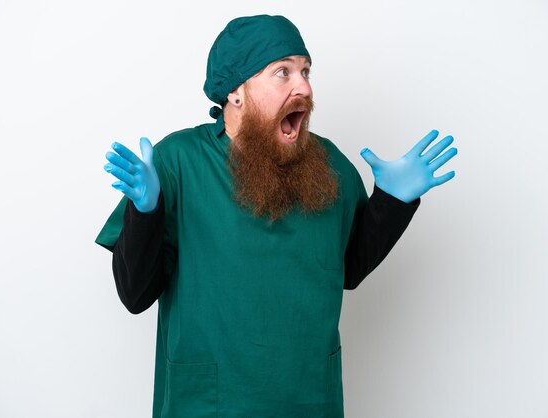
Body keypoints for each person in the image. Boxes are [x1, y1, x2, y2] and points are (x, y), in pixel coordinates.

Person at [95, 14, 457, 418]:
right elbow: (135, 295)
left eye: (305, 71)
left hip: (308, 399)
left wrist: (392, 203)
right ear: (236, 91)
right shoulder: (178, 162)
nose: (303, 86)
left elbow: (348, 270)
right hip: (209, 405)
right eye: (281, 72)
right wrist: (145, 214)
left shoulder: (330, 164)